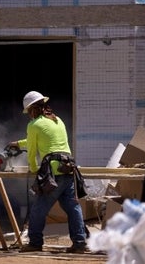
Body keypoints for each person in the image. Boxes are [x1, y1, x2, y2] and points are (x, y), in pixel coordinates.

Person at [7, 90, 88, 254]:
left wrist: (35, 169)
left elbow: (31, 151)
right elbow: (42, 140)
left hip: (52, 174)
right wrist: (18, 143)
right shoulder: (57, 120)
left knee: (38, 210)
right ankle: (80, 243)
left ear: (32, 109)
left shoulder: (34, 125)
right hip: (68, 169)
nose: (28, 115)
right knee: (73, 208)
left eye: (28, 111)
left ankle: (35, 242)